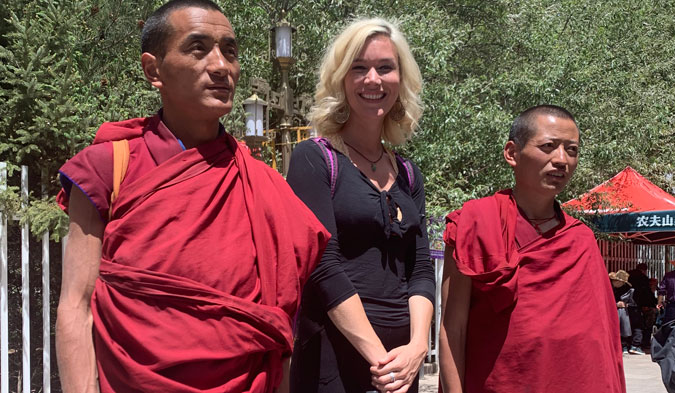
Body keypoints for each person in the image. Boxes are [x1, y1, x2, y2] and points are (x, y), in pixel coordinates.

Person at [54, 1, 330, 392]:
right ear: (154, 70)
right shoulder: (109, 168)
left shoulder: (259, 184)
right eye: (198, 48)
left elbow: (274, 326)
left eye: (230, 51)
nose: (221, 66)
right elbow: (76, 306)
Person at [286, 18, 434, 393]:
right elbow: (321, 265)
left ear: (401, 80)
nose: (373, 80)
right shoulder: (313, 159)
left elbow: (419, 269)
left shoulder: (408, 173)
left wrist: (417, 349)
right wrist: (380, 360)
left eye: (385, 67)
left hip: (401, 367)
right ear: (341, 79)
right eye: (359, 68)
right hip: (333, 361)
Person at [439, 105, 625, 393]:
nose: (561, 160)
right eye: (548, 146)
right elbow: (453, 329)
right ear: (512, 153)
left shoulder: (581, 239)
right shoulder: (474, 223)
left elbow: (601, 341)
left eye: (572, 150)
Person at [610, 270, 641, 354]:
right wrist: (616, 304)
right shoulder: (608, 287)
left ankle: (623, 345)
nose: (623, 285)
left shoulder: (622, 289)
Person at [628, 263, 656, 350]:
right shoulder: (643, 279)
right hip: (642, 304)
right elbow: (646, 294)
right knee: (644, 325)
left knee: (630, 324)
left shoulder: (629, 276)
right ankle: (642, 343)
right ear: (644, 270)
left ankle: (629, 343)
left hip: (629, 303)